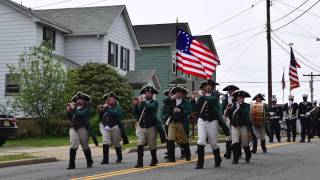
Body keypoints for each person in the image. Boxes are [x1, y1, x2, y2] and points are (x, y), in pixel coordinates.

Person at [191, 79, 226, 169]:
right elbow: (196, 109)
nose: (208, 87)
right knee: (201, 141)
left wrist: (201, 95)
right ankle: (200, 163)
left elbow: (212, 101)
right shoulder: (201, 96)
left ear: (213, 87)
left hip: (212, 121)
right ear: (204, 87)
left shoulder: (216, 95)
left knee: (213, 143)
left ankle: (218, 159)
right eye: (206, 85)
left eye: (210, 85)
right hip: (202, 120)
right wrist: (193, 99)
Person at [133, 85, 166, 168]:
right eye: (146, 93)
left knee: (152, 145)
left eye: (149, 93)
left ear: (152, 95)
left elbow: (151, 108)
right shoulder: (142, 103)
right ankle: (139, 162)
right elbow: (136, 114)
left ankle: (154, 159)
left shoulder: (155, 103)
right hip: (141, 126)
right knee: (140, 143)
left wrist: (142, 102)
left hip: (151, 127)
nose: (147, 95)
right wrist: (136, 106)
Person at [98, 92, 128, 164]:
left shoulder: (118, 107)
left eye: (112, 100)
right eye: (109, 100)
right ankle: (105, 159)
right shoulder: (105, 107)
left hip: (115, 127)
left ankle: (119, 157)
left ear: (115, 100)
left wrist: (107, 108)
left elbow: (115, 114)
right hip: (106, 127)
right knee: (105, 142)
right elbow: (101, 118)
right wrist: (100, 111)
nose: (110, 101)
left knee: (116, 143)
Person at [226, 90, 256, 164]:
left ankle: (248, 155)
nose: (241, 99)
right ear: (236, 98)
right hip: (234, 126)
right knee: (235, 142)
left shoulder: (246, 106)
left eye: (242, 97)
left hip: (243, 126)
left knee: (245, 143)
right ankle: (235, 159)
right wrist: (229, 110)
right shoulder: (233, 105)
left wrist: (239, 106)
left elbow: (245, 113)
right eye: (239, 97)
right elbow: (229, 116)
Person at [66, 92, 93, 170]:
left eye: (81, 100)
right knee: (73, 144)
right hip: (74, 128)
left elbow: (80, 114)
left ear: (84, 101)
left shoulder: (87, 109)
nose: (79, 101)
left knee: (85, 146)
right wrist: (69, 111)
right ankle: (71, 164)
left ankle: (89, 161)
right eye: (78, 100)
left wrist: (73, 108)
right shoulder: (74, 109)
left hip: (83, 128)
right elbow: (71, 118)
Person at [165, 86, 192, 162]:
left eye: (180, 93)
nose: (178, 94)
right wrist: (171, 98)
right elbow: (164, 102)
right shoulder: (172, 100)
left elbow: (189, 110)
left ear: (182, 94)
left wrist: (180, 110)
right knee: (170, 139)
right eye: (176, 93)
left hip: (181, 122)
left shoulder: (186, 102)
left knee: (184, 140)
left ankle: (187, 155)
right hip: (172, 122)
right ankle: (171, 157)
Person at [221, 85, 239, 159]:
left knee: (236, 137)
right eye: (229, 91)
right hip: (228, 119)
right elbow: (222, 109)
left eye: (232, 91)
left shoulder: (237, 98)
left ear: (234, 91)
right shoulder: (225, 100)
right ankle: (228, 152)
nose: (230, 92)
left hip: (236, 119)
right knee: (228, 136)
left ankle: (238, 152)